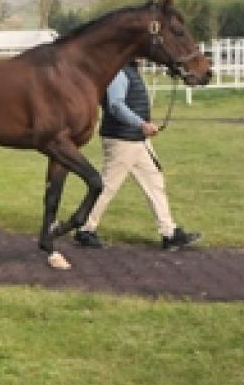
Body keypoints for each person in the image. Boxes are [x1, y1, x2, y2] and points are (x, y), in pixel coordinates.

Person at [74, 62, 202, 251]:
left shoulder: (131, 70)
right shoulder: (118, 72)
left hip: (136, 139)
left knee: (154, 181)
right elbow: (116, 105)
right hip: (122, 140)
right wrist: (141, 124)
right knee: (108, 186)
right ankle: (85, 229)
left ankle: (169, 233)